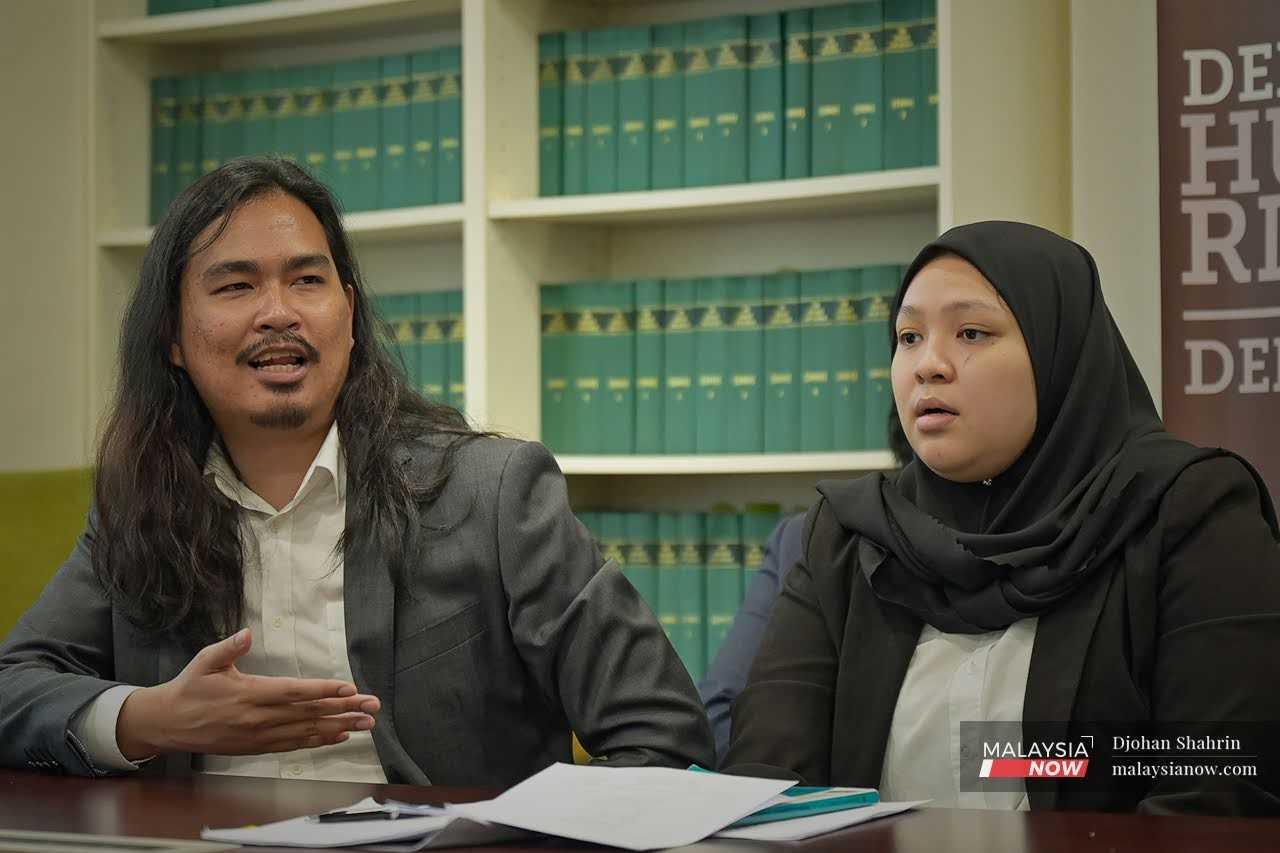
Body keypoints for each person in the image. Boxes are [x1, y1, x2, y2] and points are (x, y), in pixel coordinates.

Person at [0, 157, 714, 784]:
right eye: (236, 286)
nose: (278, 313)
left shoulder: (492, 493)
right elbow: (12, 690)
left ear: (348, 313)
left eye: (307, 280)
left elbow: (664, 736)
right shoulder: (142, 504)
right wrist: (150, 718)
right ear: (173, 339)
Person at [723, 221, 1280, 814]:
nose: (928, 365)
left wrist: (1030, 765)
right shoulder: (849, 533)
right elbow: (768, 785)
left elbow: (1220, 784)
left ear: (1058, 352)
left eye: (971, 332)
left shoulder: (1187, 512)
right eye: (908, 337)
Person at [699, 408, 913, 765]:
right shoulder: (811, 541)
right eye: (908, 347)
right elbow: (719, 719)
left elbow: (1009, 768)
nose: (930, 376)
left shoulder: (1015, 564)